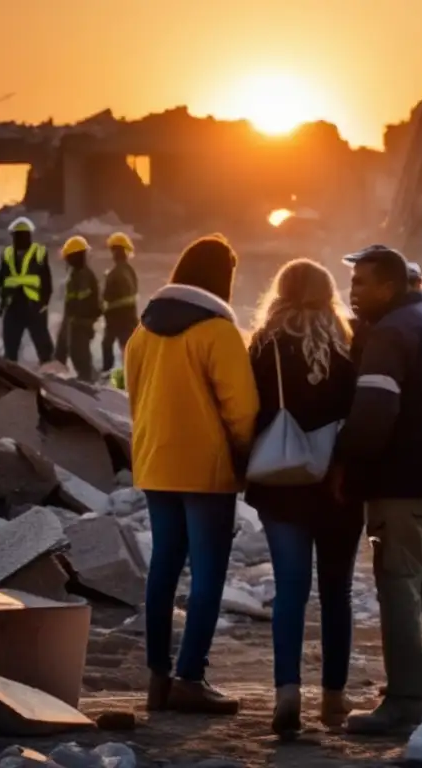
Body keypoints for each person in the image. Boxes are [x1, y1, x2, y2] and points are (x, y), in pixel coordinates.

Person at [332, 245, 422, 735]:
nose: (352, 293)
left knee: (399, 586)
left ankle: (403, 702)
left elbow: (373, 415)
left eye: (362, 283)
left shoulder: (390, 333)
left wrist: (344, 464)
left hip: (405, 484)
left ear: (390, 287)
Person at [125, 234, 259, 715]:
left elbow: (134, 399)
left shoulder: (142, 332)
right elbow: (242, 409)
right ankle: (191, 678)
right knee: (207, 574)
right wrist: (247, 457)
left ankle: (157, 679)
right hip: (205, 470)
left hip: (155, 464)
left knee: (162, 569)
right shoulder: (218, 332)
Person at [245, 259, 362, 738]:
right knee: (337, 592)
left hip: (281, 484)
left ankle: (286, 693)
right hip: (338, 486)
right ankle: (334, 698)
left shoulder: (263, 345)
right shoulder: (350, 345)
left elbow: (247, 410)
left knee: (291, 590)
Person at [0, 217, 54, 365]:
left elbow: (46, 279)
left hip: (33, 305)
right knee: (10, 347)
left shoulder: (39, 252)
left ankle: (50, 373)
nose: (19, 239)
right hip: (13, 304)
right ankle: (10, 374)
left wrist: (45, 302)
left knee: (43, 346)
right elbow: (2, 275)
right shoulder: (8, 253)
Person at [54, 236, 101, 382]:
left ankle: (90, 383)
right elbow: (70, 306)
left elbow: (84, 304)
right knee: (74, 352)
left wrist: (76, 321)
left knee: (80, 355)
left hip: (81, 323)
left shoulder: (84, 275)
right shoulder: (75, 276)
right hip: (75, 323)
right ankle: (88, 380)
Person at [101, 231, 140, 373]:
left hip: (119, 318)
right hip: (126, 317)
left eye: (115, 250)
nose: (114, 254)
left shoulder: (117, 272)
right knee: (123, 347)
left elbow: (108, 296)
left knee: (113, 346)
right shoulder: (128, 270)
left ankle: (110, 374)